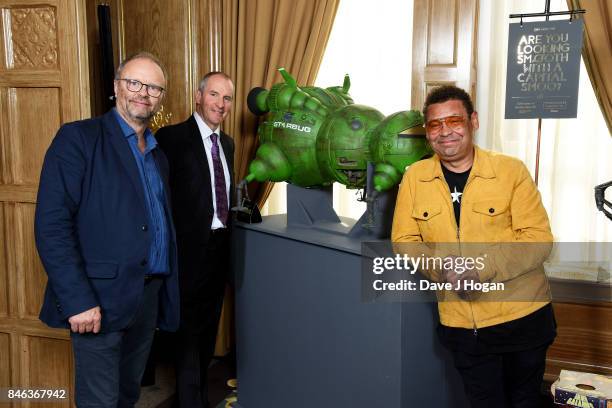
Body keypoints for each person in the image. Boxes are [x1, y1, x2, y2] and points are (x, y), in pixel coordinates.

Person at [391, 85, 556, 408]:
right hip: (463, 327)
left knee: (524, 402)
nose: (445, 132)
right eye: (435, 125)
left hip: (523, 319)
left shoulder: (511, 171)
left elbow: (538, 239)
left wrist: (480, 268)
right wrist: (442, 267)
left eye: (454, 120)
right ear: (427, 133)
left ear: (473, 122)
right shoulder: (414, 177)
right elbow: (404, 241)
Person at [35, 52, 179, 407]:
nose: (143, 93)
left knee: (128, 395)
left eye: (154, 88)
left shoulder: (159, 155)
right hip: (96, 301)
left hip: (146, 298)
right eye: (134, 83)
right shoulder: (78, 139)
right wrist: (78, 300)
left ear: (161, 97)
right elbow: (52, 226)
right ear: (117, 87)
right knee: (99, 401)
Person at [155, 72, 235, 408]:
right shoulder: (171, 138)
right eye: (214, 95)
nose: (221, 104)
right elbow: (159, 198)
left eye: (227, 98)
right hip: (186, 255)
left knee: (206, 333)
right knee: (187, 337)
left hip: (219, 252)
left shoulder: (227, 144)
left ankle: (200, 396)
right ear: (198, 96)